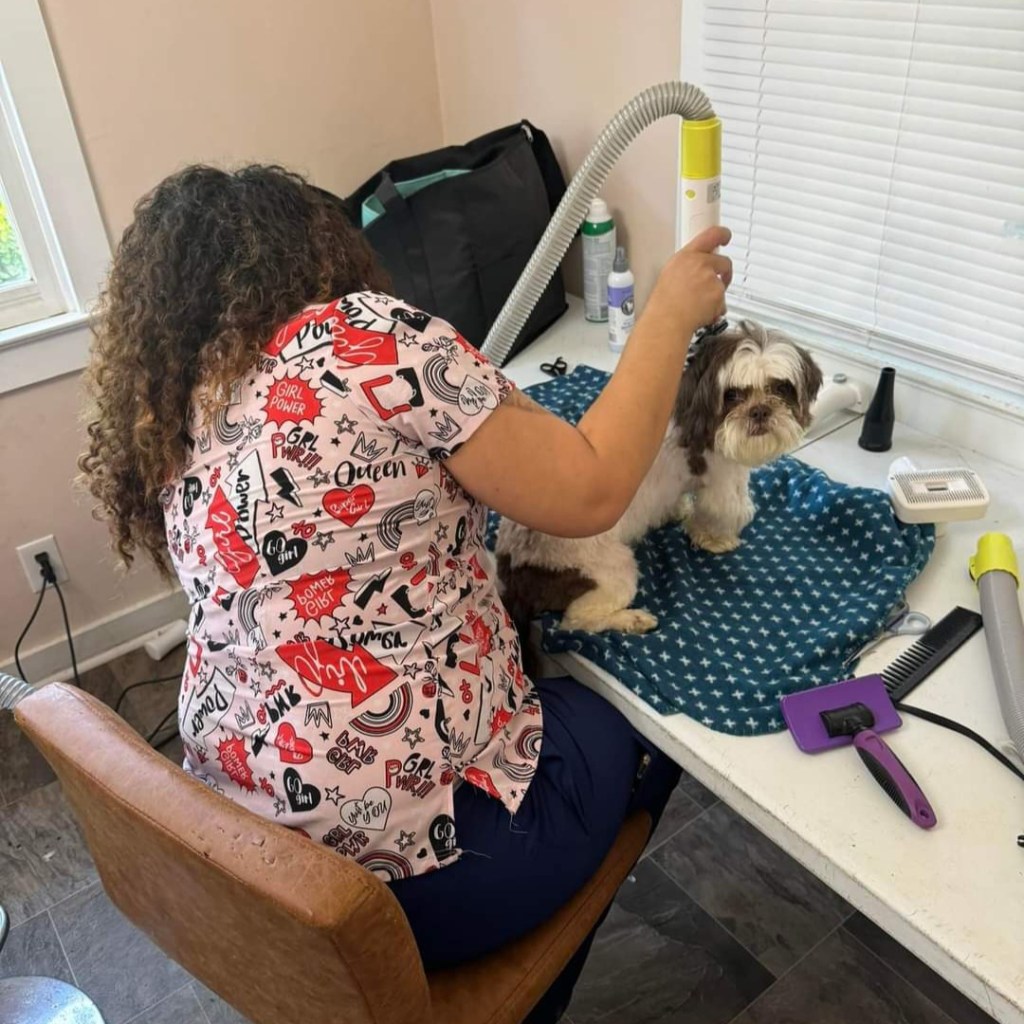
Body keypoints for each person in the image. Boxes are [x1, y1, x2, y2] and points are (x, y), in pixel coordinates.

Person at [79, 164, 731, 1020]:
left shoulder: (178, 401)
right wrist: (669, 315)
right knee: (648, 732)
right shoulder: (369, 337)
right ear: (322, 251)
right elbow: (594, 488)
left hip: (246, 848)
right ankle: (520, 995)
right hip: (407, 874)